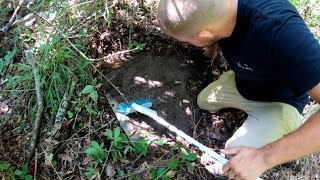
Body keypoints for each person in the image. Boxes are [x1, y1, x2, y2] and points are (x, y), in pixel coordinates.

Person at [157, 0, 320, 179]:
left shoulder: (283, 34)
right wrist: (211, 48)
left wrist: (263, 158)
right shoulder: (221, 11)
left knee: (229, 159)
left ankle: (278, 124)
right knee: (203, 101)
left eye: (189, 41)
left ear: (203, 35)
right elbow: (207, 21)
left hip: (280, 103)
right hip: (244, 81)